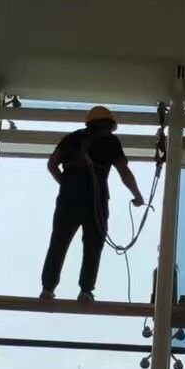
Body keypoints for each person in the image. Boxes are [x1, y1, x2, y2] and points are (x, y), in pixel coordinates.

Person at [40, 104, 144, 302]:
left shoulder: (71, 139)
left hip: (69, 199)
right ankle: (85, 290)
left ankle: (48, 288)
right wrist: (137, 195)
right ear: (107, 124)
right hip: (95, 201)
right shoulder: (110, 141)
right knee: (93, 246)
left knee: (59, 243)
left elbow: (52, 164)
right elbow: (123, 171)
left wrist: (66, 184)